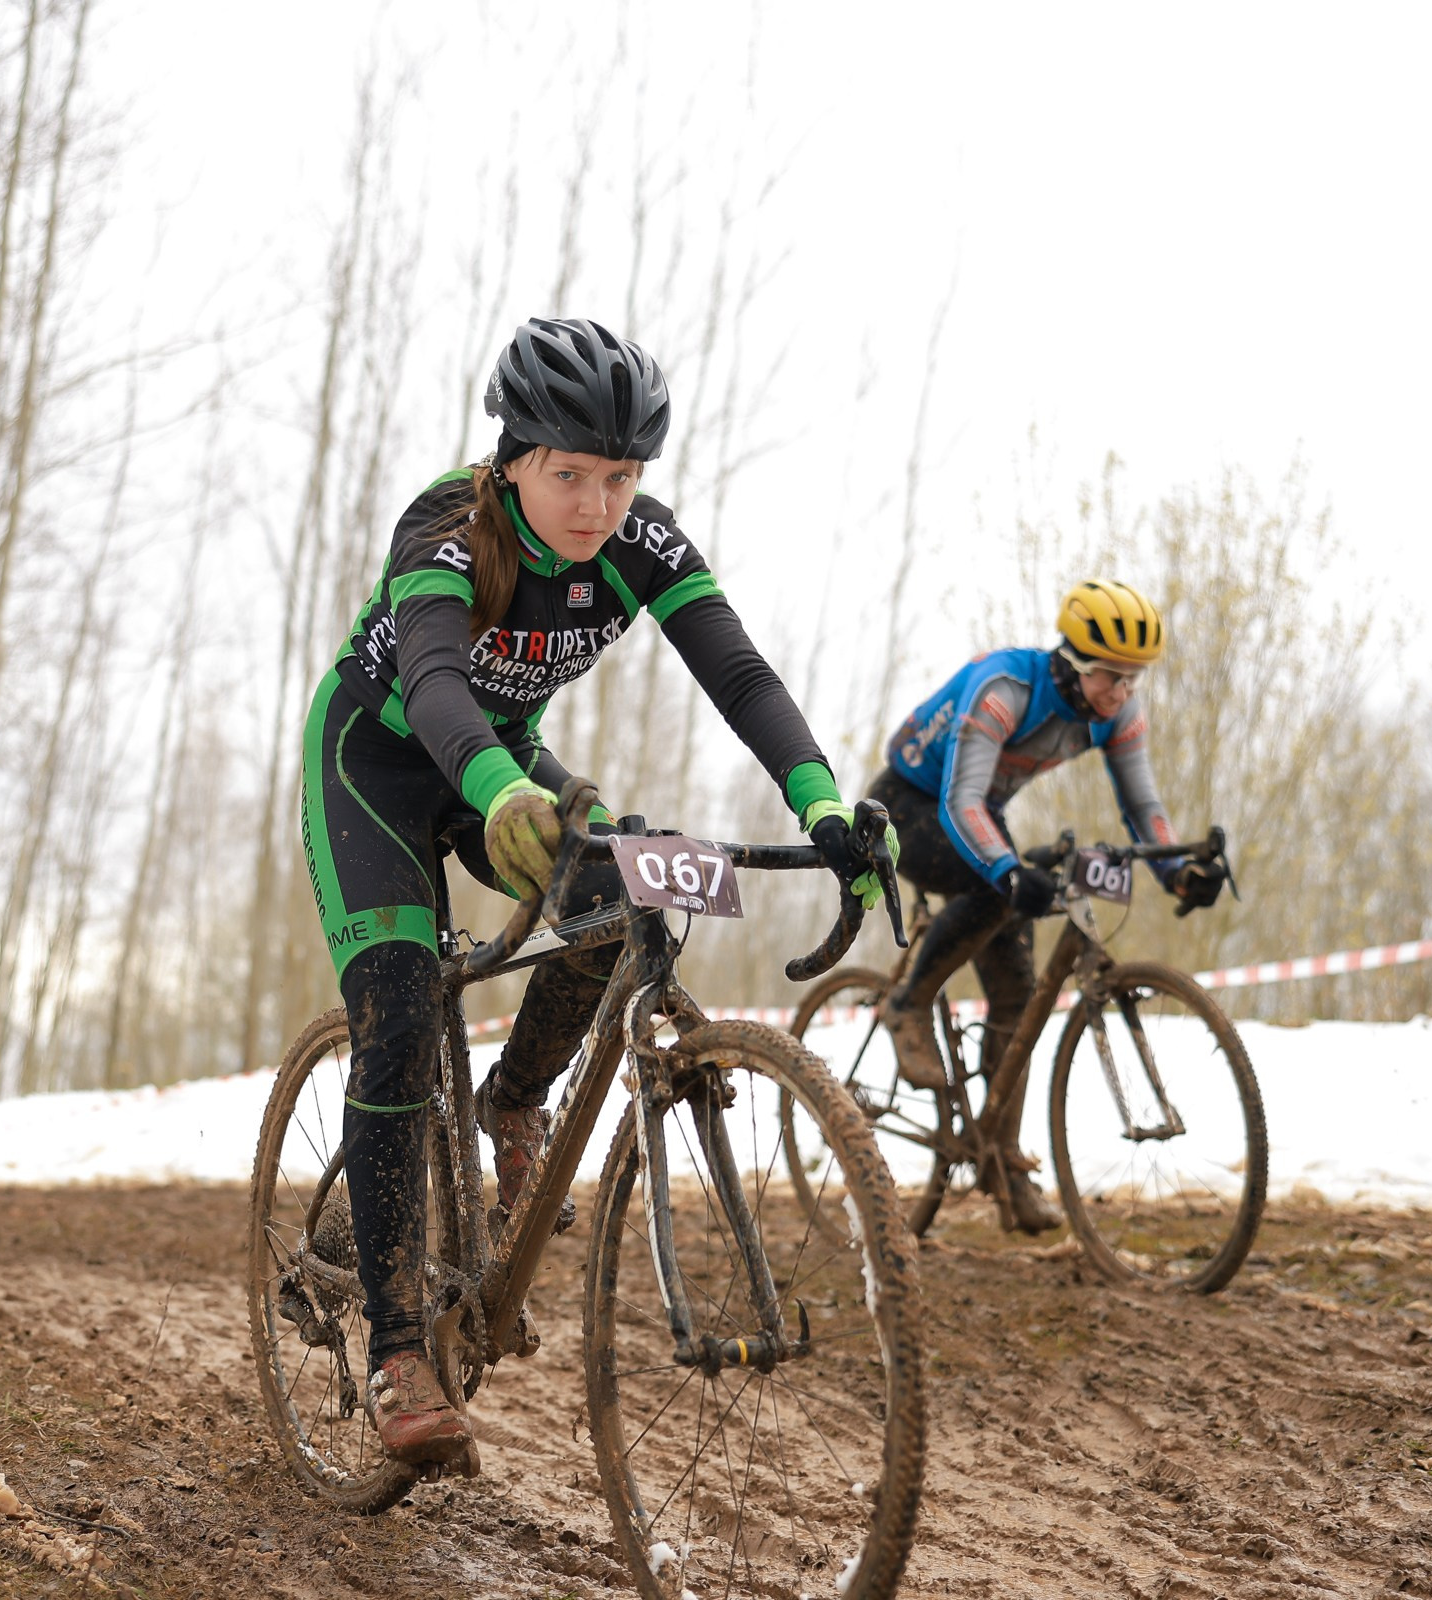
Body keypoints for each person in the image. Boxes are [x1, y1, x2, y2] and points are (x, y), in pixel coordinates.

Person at [301, 317, 883, 1464]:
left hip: (511, 764)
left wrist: (821, 801)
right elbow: (432, 677)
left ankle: (515, 1100)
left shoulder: (640, 541)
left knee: (622, 894)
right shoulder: (447, 524)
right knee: (401, 1019)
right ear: (513, 456)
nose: (598, 505)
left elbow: (738, 672)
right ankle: (398, 1349)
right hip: (379, 764)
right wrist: (497, 793)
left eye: (621, 477)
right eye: (570, 474)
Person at [870, 580, 1226, 1233]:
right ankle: (906, 1004)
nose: (1122, 692)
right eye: (1112, 676)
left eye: (1135, 678)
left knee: (1019, 996)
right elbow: (959, 801)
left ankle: (1000, 1162)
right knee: (996, 889)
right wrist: (1007, 872)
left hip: (978, 809)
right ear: (1076, 661)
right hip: (907, 806)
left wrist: (1179, 872)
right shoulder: (1006, 688)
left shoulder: (1118, 712)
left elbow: (1142, 804)